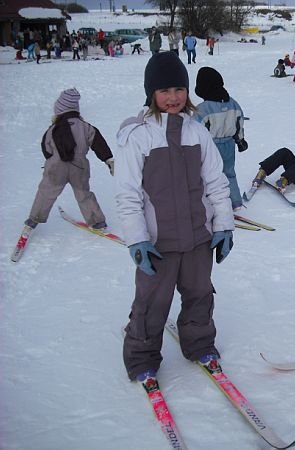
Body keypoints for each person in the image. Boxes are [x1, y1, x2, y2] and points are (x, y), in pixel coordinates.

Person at [115, 51, 234, 382]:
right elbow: (128, 194)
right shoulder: (137, 136)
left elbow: (216, 183)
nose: (173, 97)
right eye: (164, 91)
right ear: (151, 93)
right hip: (158, 243)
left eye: (179, 89)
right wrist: (137, 239)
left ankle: (199, 344)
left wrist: (223, 226)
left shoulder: (197, 132)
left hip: (198, 237)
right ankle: (140, 357)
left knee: (200, 295)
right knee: (152, 303)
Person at [23, 88, 113, 231]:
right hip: (79, 167)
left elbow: (46, 147)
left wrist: (51, 159)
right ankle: (97, 222)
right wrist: (108, 159)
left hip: (56, 167)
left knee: (46, 192)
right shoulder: (86, 127)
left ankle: (34, 219)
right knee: (83, 193)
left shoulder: (53, 129)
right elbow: (98, 143)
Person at [194, 66, 247, 211]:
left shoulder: (203, 108)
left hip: (210, 148)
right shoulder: (233, 103)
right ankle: (235, 202)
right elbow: (239, 122)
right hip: (229, 144)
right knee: (229, 173)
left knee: (210, 176)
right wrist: (240, 140)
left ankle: (215, 205)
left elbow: (195, 130)